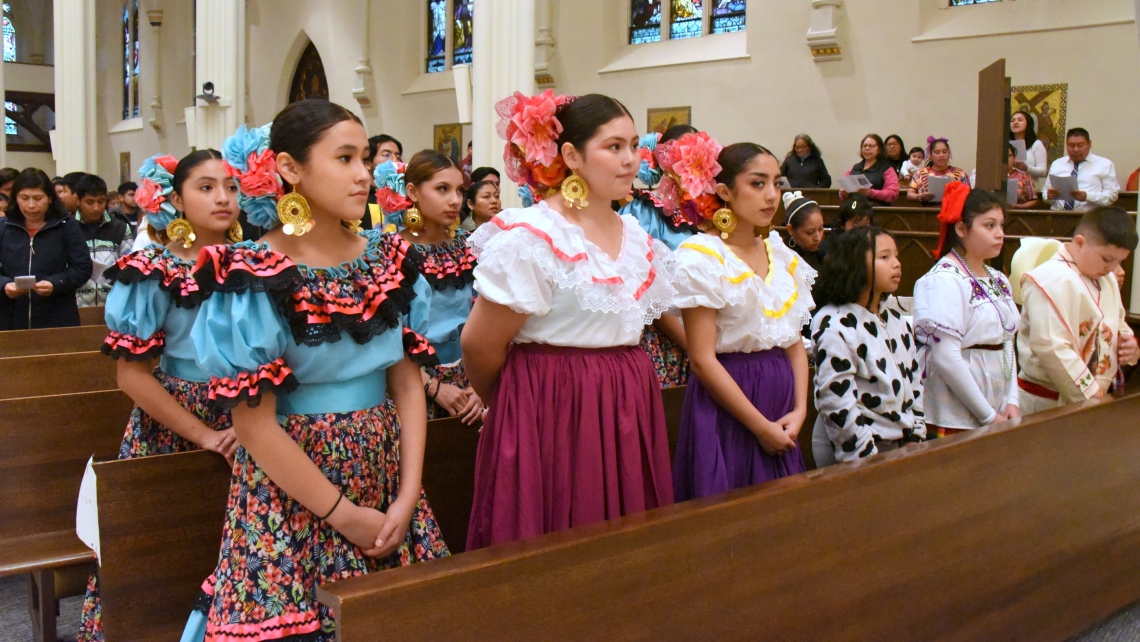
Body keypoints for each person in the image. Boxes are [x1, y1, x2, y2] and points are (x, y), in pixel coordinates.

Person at [181, 100, 448, 641]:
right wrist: (343, 514)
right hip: (294, 489)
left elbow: (405, 381)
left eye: (366, 159)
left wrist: (408, 490)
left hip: (386, 474)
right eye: (344, 158)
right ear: (289, 169)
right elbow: (254, 425)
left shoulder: (386, 256)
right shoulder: (252, 274)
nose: (362, 175)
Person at [462, 91, 676, 550]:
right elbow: (478, 345)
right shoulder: (533, 237)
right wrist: (518, 407)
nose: (630, 159)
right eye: (613, 146)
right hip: (550, 404)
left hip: (626, 401)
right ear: (572, 156)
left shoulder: (637, 237)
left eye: (634, 145)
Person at [76, 150, 240, 642]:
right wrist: (207, 435)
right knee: (160, 551)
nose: (223, 198)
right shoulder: (154, 269)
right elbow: (132, 375)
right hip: (177, 421)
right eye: (206, 187)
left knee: (240, 546)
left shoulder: (258, 262)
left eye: (231, 186)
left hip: (252, 413)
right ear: (176, 200)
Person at [672, 142, 815, 500]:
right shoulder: (704, 257)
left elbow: (794, 343)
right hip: (731, 402)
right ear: (724, 191)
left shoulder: (779, 253)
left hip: (780, 401)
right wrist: (760, 427)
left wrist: (800, 410)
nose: (771, 195)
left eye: (777, 184)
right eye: (758, 183)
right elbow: (703, 359)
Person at [374, 150, 483, 423]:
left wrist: (481, 386)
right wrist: (432, 387)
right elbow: (386, 336)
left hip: (470, 385)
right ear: (412, 191)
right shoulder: (389, 252)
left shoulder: (469, 245)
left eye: (459, 190)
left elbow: (486, 321)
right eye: (442, 189)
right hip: (411, 382)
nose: (455, 200)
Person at [810, 226, 924, 467]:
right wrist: (866, 458)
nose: (897, 264)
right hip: (856, 451)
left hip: (899, 446)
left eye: (896, 256)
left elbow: (914, 384)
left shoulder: (896, 320)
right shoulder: (836, 322)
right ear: (856, 264)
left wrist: (915, 438)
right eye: (885, 257)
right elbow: (836, 402)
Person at [913, 184, 1019, 436]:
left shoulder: (998, 278)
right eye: (989, 225)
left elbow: (1008, 343)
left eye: (1001, 225)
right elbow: (945, 356)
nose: (1000, 234)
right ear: (961, 229)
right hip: (954, 412)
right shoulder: (943, 279)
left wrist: (1012, 400)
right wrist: (988, 415)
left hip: (998, 405)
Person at [1015, 206, 1139, 414]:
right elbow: (1051, 347)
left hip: (1095, 398)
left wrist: (1130, 346)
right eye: (1107, 259)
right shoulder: (1048, 279)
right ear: (1080, 243)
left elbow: (1118, 322)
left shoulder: (1105, 278)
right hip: (1048, 402)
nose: (1113, 268)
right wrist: (1091, 399)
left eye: (1119, 261)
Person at [620, 125, 712, 388]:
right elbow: (644, 288)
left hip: (709, 335)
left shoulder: (712, 213)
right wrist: (693, 345)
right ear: (665, 160)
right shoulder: (644, 209)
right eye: (682, 153)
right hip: (665, 340)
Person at [0, 169, 91, 330]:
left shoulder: (66, 226)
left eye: (37, 198)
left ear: (49, 198)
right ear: (15, 198)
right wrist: (4, 285)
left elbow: (82, 267)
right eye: (24, 198)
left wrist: (55, 283)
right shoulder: (4, 227)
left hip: (57, 315)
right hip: (10, 316)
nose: (31, 205)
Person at [73, 174, 135, 308]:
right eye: (90, 202)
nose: (96, 208)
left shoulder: (120, 227)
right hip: (76, 305)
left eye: (100, 201)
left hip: (113, 304)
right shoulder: (68, 228)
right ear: (78, 200)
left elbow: (130, 265)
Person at [1044, 128, 1119, 212]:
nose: (1075, 150)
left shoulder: (1104, 164)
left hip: (1089, 217)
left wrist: (1088, 196)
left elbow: (1112, 195)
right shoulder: (1057, 164)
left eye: (1080, 145)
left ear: (1089, 144)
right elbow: (1045, 193)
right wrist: (1049, 196)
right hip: (1058, 214)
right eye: (1071, 146)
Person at [839, 134, 899, 206]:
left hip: (876, 210)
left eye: (871, 146)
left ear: (879, 149)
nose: (867, 148)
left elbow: (893, 194)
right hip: (854, 208)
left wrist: (871, 193)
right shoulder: (855, 168)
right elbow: (842, 192)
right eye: (865, 146)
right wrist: (843, 193)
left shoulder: (887, 169)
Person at [908, 137, 971, 203]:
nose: (941, 155)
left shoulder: (960, 173)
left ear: (949, 154)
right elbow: (909, 194)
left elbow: (969, 194)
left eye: (944, 152)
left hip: (954, 211)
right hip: (927, 211)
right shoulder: (920, 173)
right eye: (937, 152)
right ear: (930, 156)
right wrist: (920, 196)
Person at [783, 191, 825, 271]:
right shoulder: (784, 258)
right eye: (809, 232)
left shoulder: (824, 251)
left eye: (821, 229)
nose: (818, 238)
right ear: (791, 230)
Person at [1010, 110, 1047, 187]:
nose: (1015, 122)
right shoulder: (1006, 145)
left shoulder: (1036, 144)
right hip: (1010, 187)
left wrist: (1027, 168)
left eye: (1020, 120)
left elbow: (1043, 171)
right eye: (1012, 121)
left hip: (1030, 189)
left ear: (1028, 124)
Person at [1006, 143, 1039, 210]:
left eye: (1009, 156)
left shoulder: (1024, 176)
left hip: (1019, 214)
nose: (1006, 159)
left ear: (1014, 158)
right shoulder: (992, 177)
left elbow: (1034, 200)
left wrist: (1019, 207)